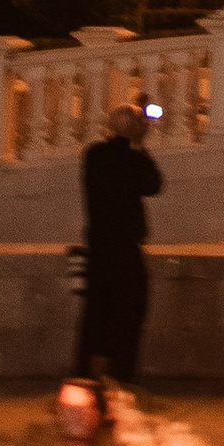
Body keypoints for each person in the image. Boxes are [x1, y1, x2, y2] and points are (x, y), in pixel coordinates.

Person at [73, 102, 162, 385]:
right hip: (124, 250)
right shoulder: (133, 158)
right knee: (128, 314)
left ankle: (87, 378)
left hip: (99, 248)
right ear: (135, 129)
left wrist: (131, 138)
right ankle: (119, 379)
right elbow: (154, 184)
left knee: (96, 315)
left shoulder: (94, 155)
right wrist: (140, 144)